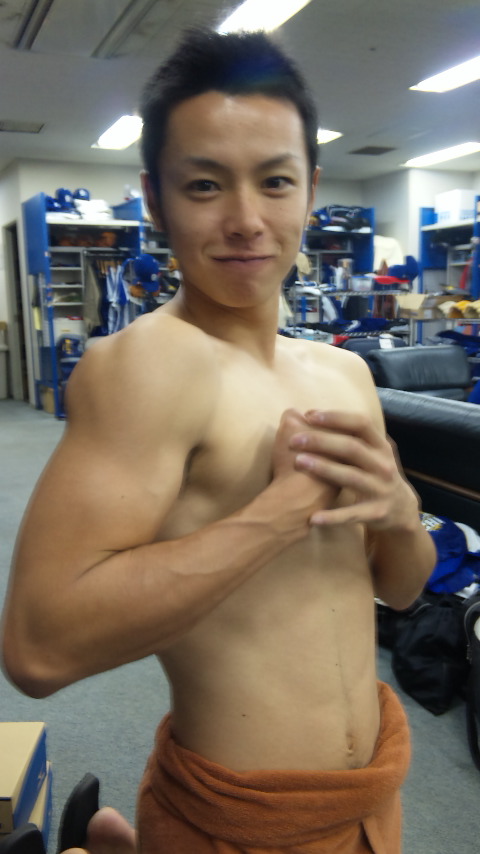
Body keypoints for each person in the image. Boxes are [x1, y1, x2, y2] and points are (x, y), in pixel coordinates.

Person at [1, 28, 436, 854]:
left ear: (310, 189)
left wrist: (399, 513)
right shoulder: (149, 365)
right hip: (239, 824)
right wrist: (279, 514)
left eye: (275, 182)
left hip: (371, 803)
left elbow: (405, 590)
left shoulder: (344, 375)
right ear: (155, 200)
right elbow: (38, 648)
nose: (246, 221)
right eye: (205, 185)